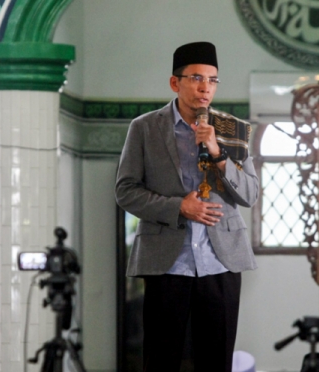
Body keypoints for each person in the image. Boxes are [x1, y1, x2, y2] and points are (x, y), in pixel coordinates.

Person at [115, 41, 259, 372]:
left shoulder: (230, 130)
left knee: (215, 361)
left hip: (220, 261)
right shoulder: (145, 128)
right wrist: (179, 207)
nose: (205, 88)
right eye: (196, 78)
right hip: (168, 262)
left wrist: (218, 152)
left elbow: (249, 194)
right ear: (174, 82)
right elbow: (125, 191)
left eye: (212, 80)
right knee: (160, 360)